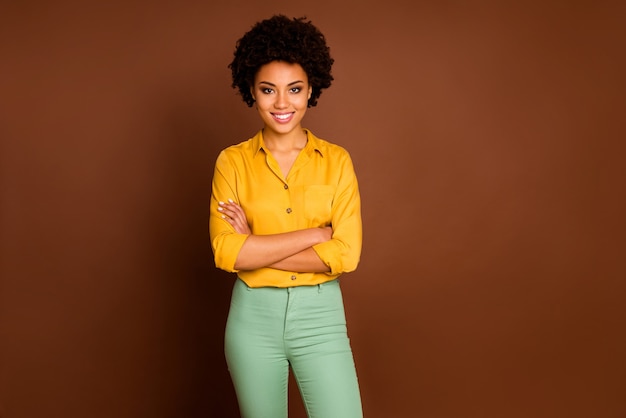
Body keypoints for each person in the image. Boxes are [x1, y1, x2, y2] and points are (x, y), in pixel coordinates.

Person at [209, 14, 363, 418]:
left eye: (294, 89)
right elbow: (227, 253)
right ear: (252, 92)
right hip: (252, 321)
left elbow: (346, 255)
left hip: (321, 319)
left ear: (311, 88)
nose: (282, 103)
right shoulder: (232, 163)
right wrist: (316, 233)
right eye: (268, 90)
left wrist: (255, 249)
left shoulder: (336, 162)